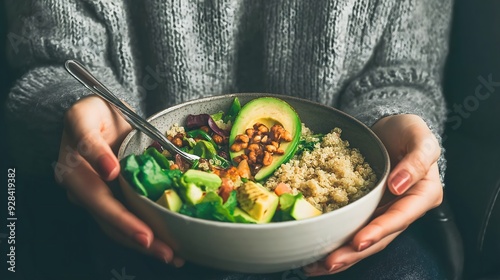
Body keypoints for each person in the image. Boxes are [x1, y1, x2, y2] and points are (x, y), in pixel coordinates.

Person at [4, 0, 452, 279]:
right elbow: (53, 53)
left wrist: (397, 123)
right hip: (129, 213)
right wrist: (73, 105)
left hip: (344, 227)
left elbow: (401, 72)